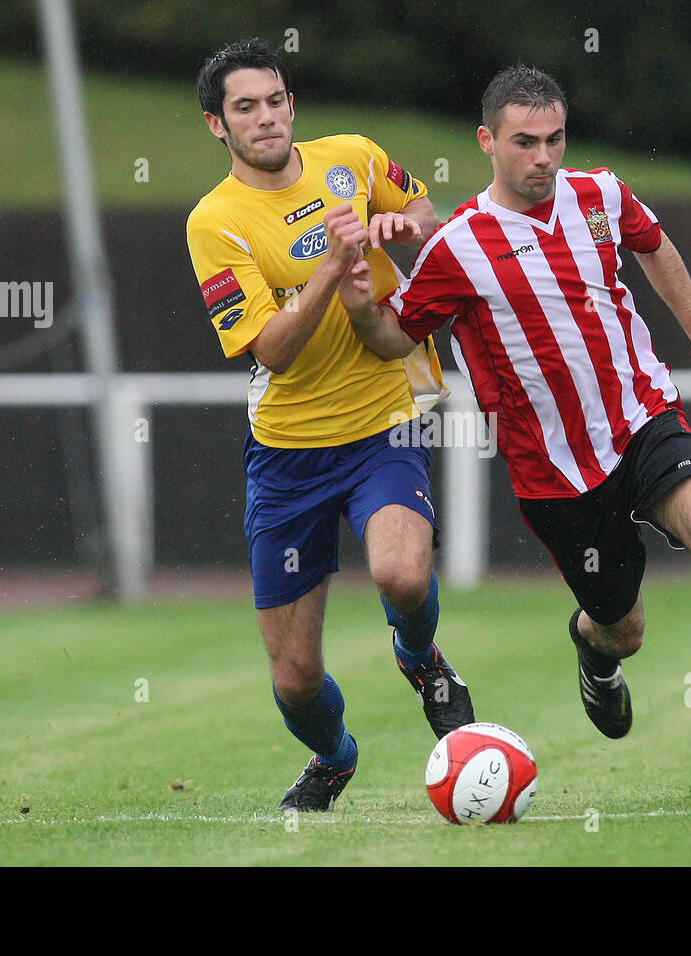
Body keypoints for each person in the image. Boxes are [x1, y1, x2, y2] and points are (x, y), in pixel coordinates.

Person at [339, 65, 691, 783]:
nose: (544, 158)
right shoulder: (456, 247)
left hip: (643, 421)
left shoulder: (601, 194)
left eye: (555, 139)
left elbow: (653, 244)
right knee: (625, 630)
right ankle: (594, 651)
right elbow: (394, 340)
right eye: (525, 142)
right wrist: (356, 298)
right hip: (554, 473)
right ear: (487, 142)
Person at [185, 38, 475, 812]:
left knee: (402, 574)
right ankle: (336, 758)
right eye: (245, 107)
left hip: (384, 419)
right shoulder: (215, 223)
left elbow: (421, 207)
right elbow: (272, 352)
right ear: (218, 125)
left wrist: (400, 229)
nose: (267, 117)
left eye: (275, 100)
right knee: (295, 679)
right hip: (286, 456)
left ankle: (423, 660)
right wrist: (325, 271)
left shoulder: (349, 157)